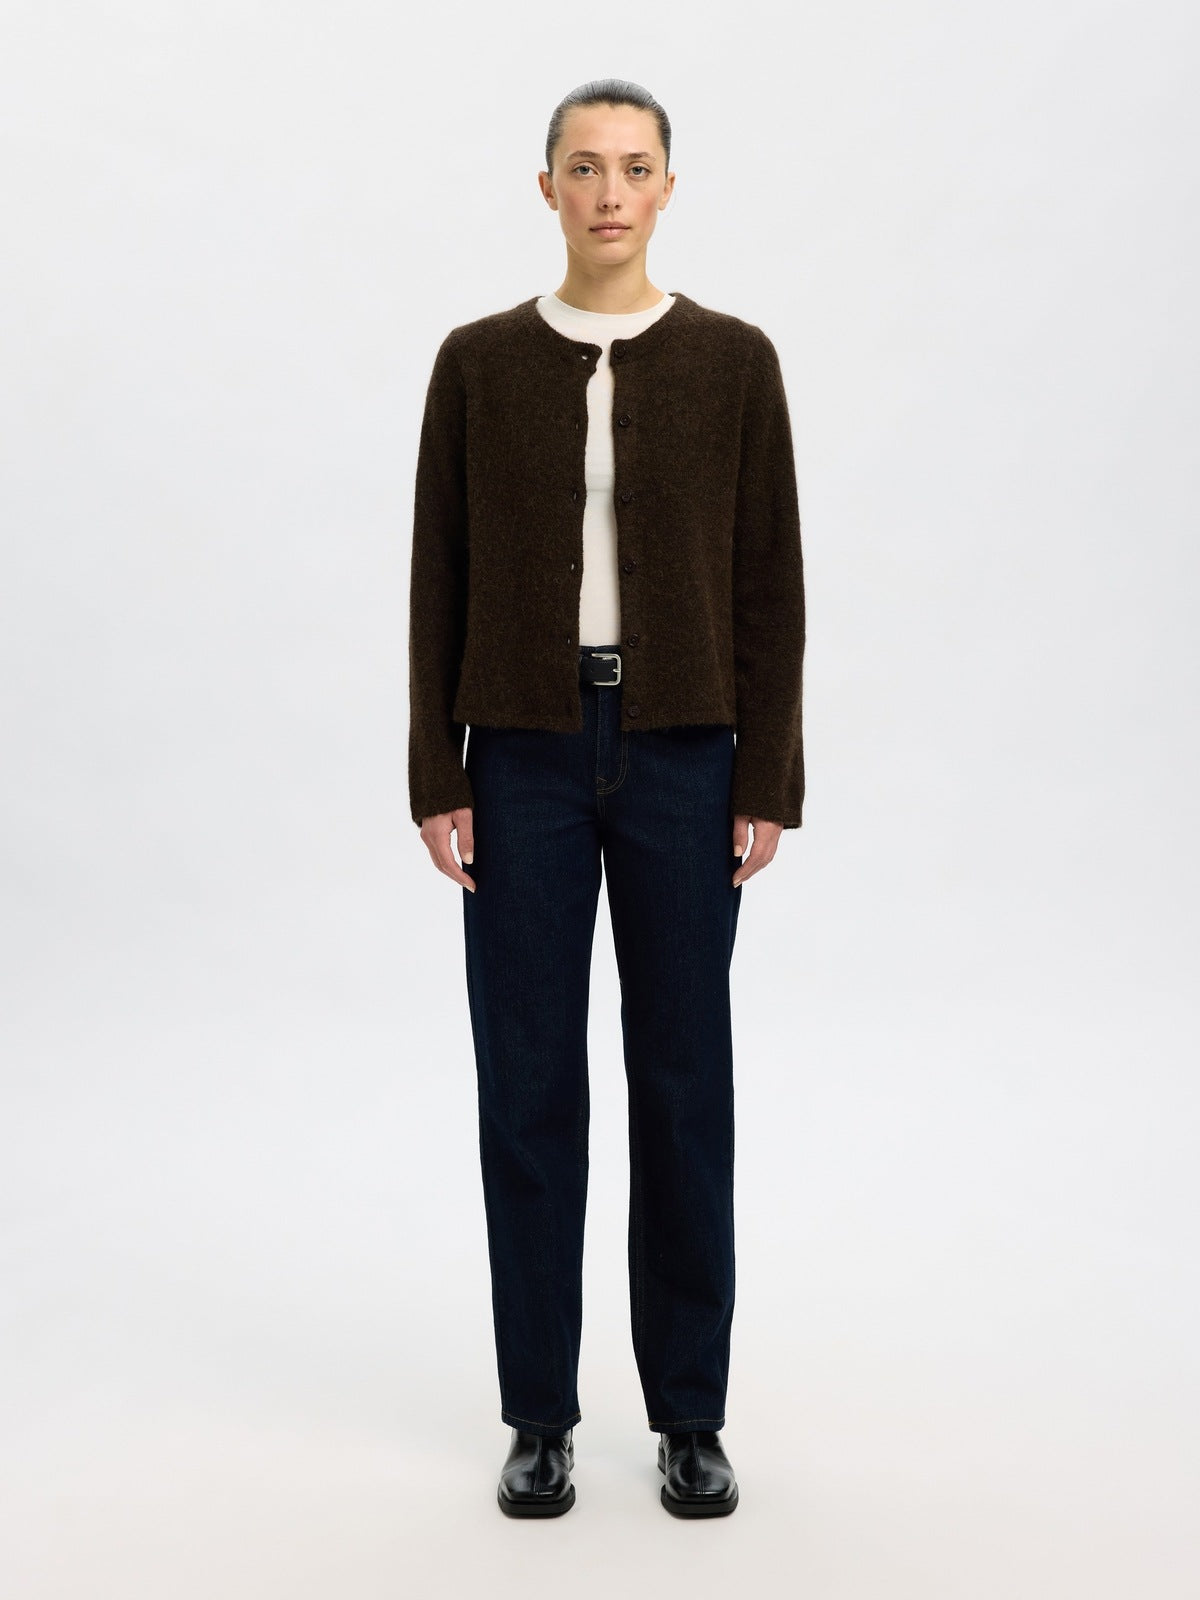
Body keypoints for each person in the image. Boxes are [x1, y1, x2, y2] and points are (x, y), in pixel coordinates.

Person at [408, 78, 805, 1518]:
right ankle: (539, 1415)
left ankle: (690, 1414)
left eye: (635, 167)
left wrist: (767, 776)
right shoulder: (477, 363)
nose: (611, 192)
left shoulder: (734, 361)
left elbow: (769, 579)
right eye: (585, 167)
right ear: (548, 189)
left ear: (668, 188)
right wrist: (434, 768)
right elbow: (438, 570)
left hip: (686, 752)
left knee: (685, 1083)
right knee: (528, 1086)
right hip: (520, 753)